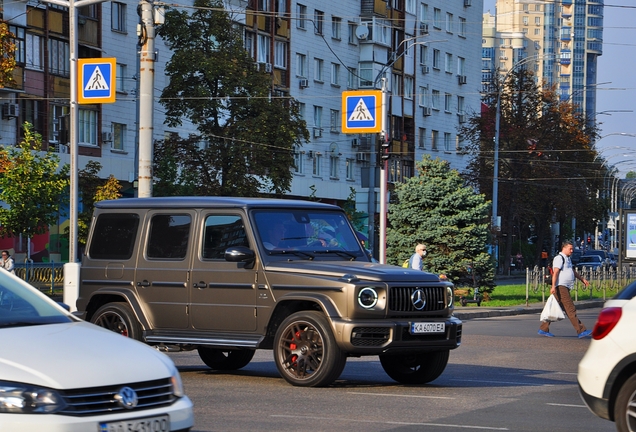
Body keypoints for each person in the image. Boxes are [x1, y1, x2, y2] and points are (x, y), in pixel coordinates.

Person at [538, 240, 592, 338]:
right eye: (570, 249)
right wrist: (553, 286)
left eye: (572, 249)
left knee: (552, 308)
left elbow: (572, 271)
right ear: (564, 248)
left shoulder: (567, 259)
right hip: (560, 286)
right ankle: (581, 330)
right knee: (570, 309)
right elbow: (556, 272)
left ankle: (543, 329)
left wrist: (582, 279)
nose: (572, 251)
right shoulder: (559, 258)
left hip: (564, 287)